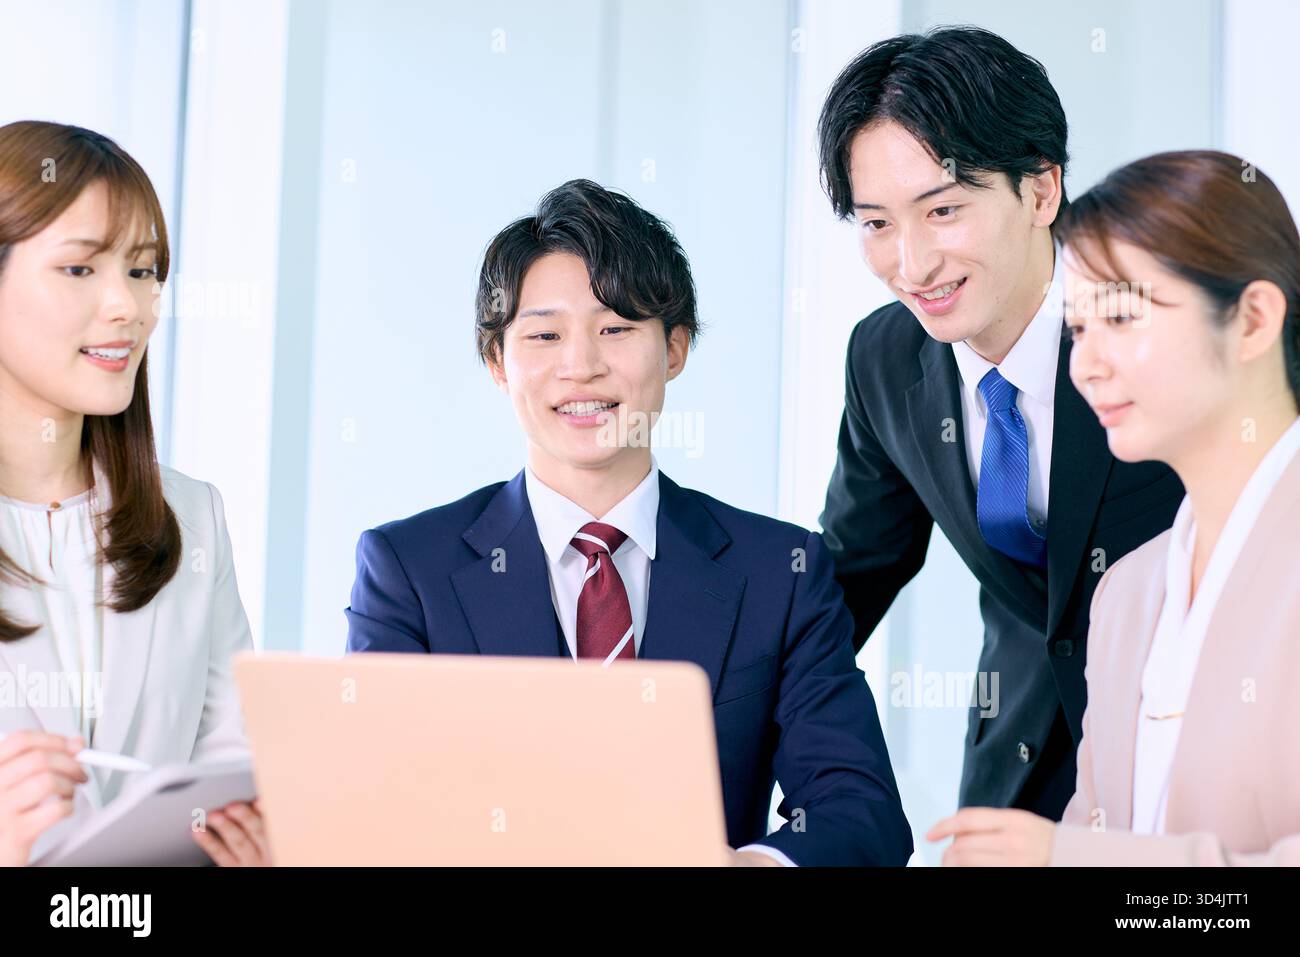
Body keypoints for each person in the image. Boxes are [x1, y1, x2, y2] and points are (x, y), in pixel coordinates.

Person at [345, 178, 912, 866]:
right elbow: (374, 805)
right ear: (498, 361)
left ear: (674, 348)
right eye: (545, 334)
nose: (581, 366)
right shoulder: (409, 571)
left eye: (616, 328)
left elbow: (860, 809)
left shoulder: (780, 572)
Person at [815, 26, 1183, 818]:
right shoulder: (886, 359)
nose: (912, 265)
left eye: (943, 209)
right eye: (877, 223)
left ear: (1041, 191)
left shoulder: (1166, 315)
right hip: (1014, 784)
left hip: (1189, 772)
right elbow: (849, 576)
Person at [930, 150, 1300, 865]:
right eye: (1078, 328)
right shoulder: (1129, 591)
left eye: (1123, 317)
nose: (1086, 364)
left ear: (1253, 319)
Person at [0, 121, 267, 866]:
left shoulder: (192, 517)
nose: (129, 307)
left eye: (145, 270)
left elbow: (231, 768)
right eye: (81, 269)